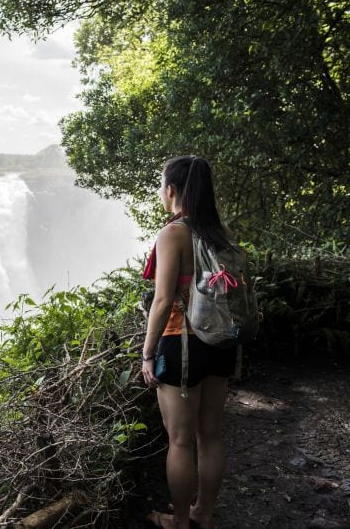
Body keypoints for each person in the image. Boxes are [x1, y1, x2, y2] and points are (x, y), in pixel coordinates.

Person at [141, 155, 237, 529]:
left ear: (172, 189)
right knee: (210, 435)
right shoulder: (220, 232)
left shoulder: (173, 233)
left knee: (180, 441)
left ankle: (180, 521)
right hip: (221, 340)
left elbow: (163, 299)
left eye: (162, 186)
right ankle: (204, 513)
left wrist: (147, 354)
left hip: (182, 343)